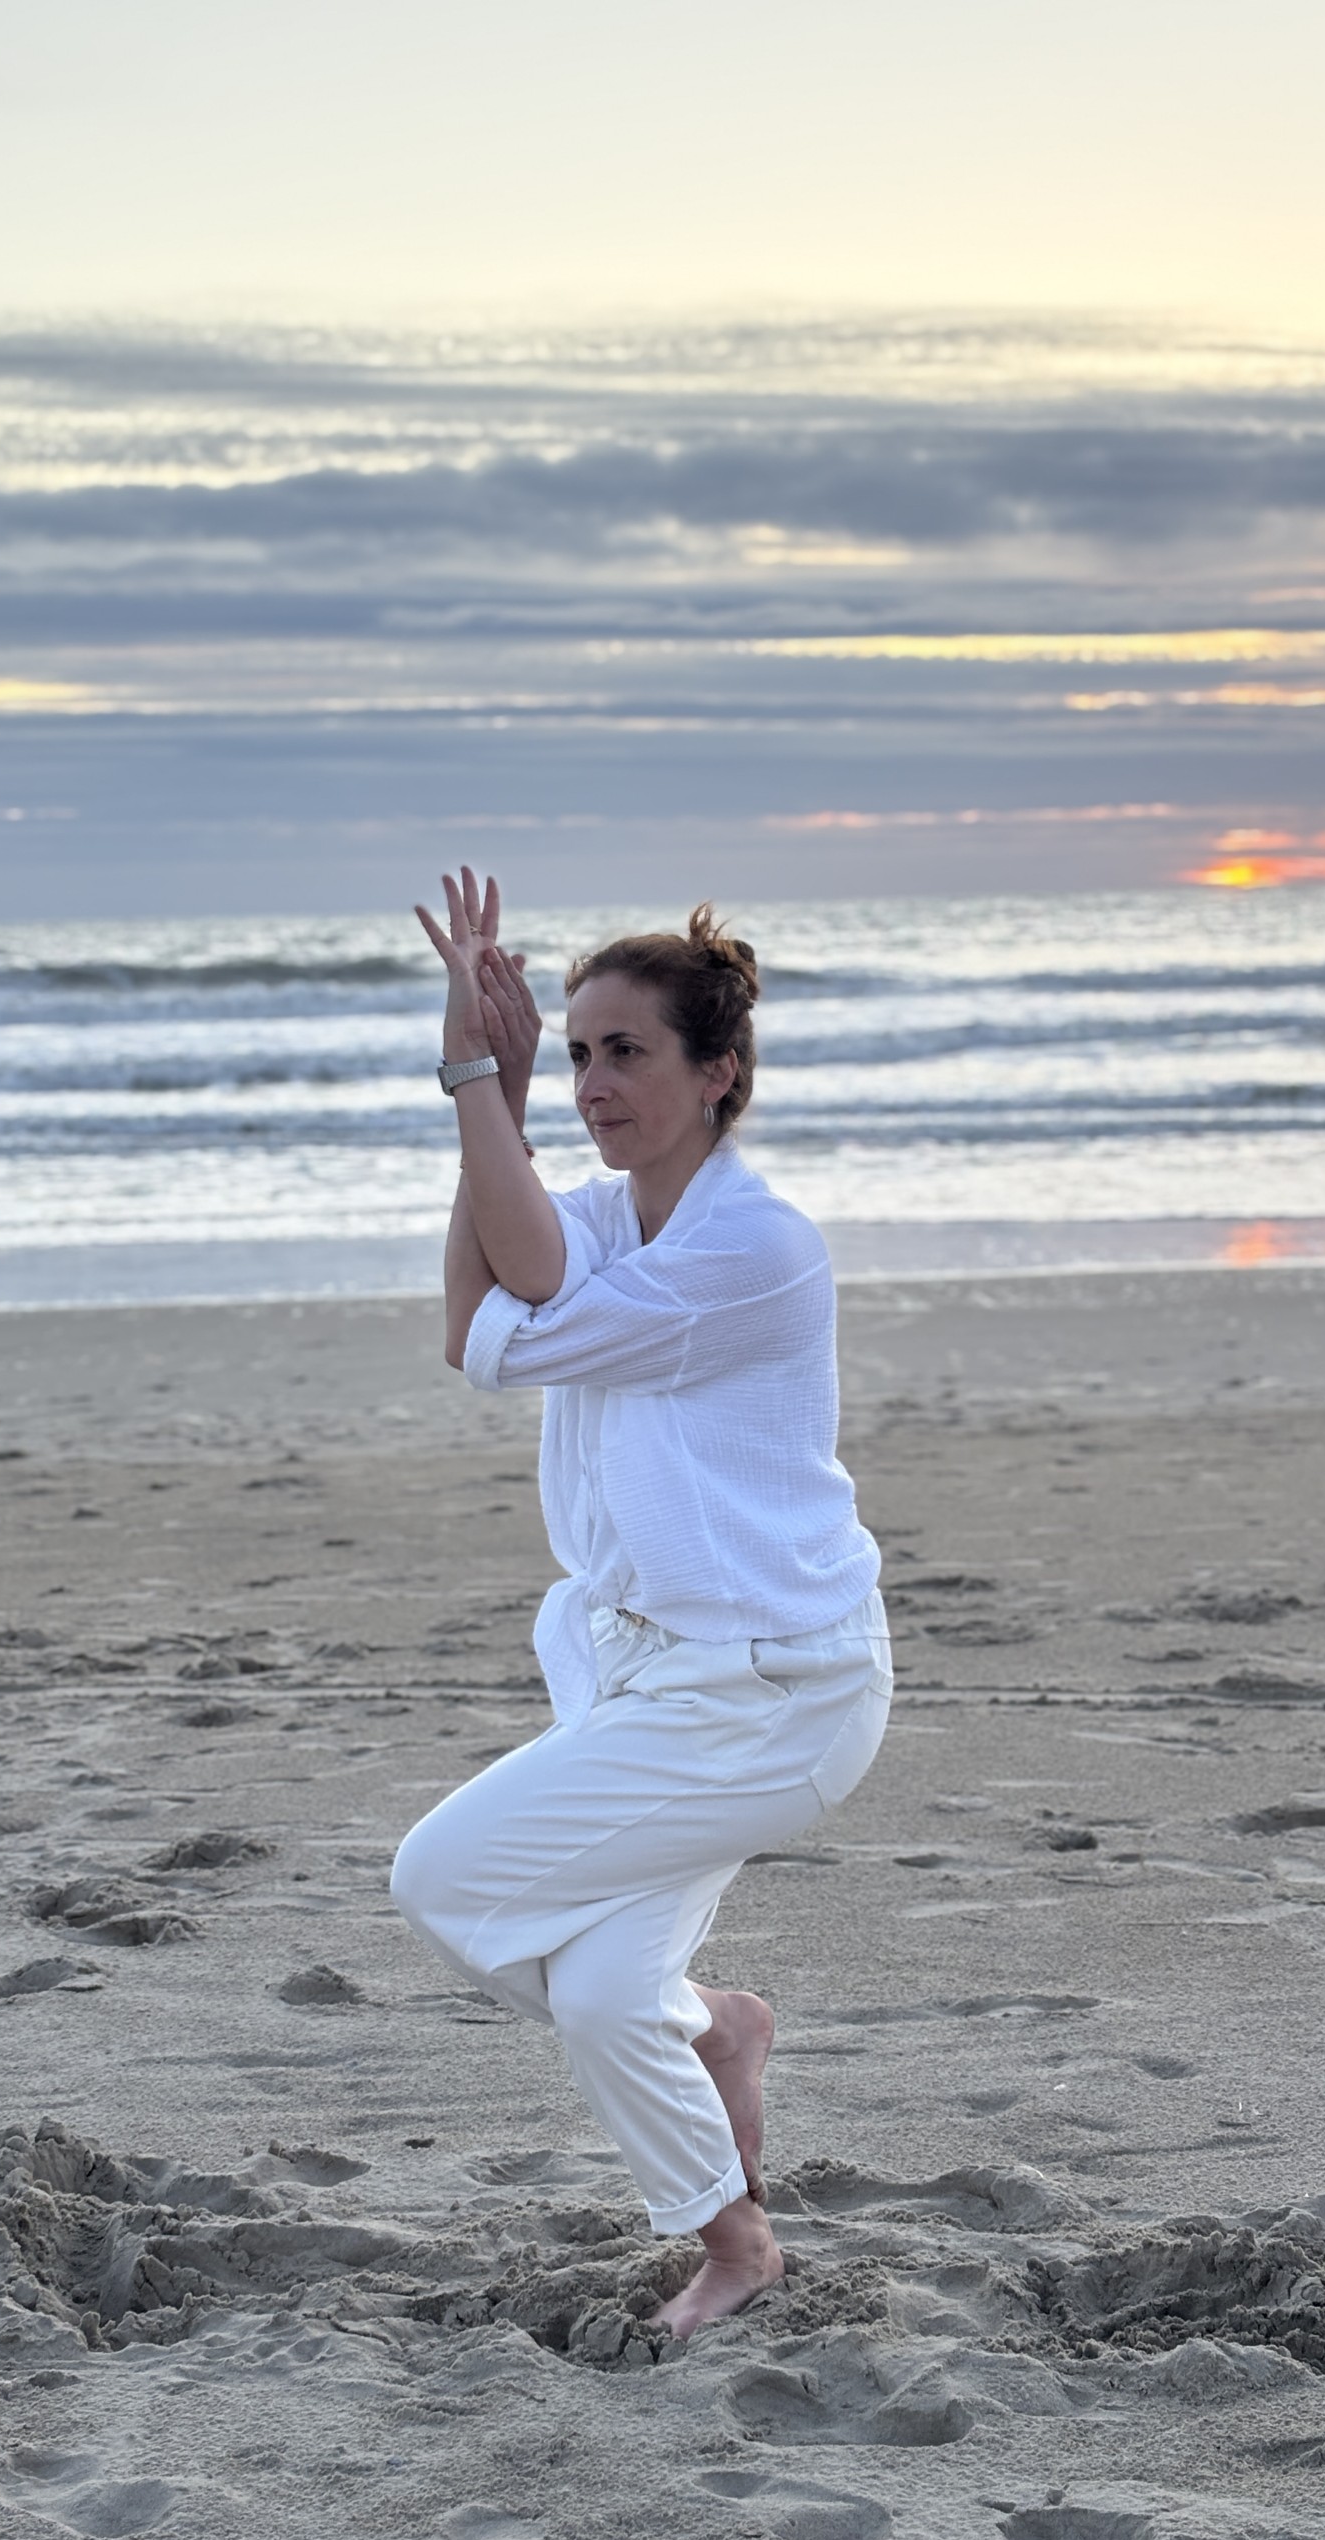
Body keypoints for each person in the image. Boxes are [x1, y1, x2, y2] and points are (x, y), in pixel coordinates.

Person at [390, 867, 890, 2339]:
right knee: (611, 1998)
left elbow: (516, 1293)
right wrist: (500, 1099)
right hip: (642, 1674)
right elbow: (477, 1325)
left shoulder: (754, 1250)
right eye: (579, 1052)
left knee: (440, 1877)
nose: (597, 1082)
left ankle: (713, 2044)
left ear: (718, 1073)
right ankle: (735, 2207)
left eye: (628, 1052)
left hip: (773, 1690)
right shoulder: (617, 1222)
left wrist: (477, 1082)